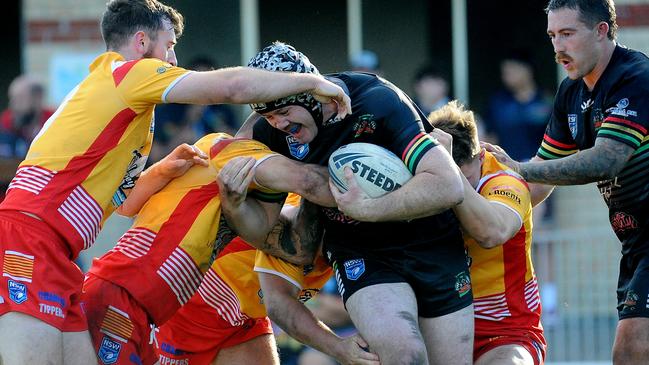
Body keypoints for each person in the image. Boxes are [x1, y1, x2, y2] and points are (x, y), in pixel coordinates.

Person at [0, 0, 351, 363]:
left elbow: (124, 204)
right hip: (34, 238)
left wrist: (161, 171)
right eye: (168, 45)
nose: (173, 58)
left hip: (63, 255)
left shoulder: (128, 111)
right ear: (140, 42)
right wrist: (314, 83)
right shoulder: (127, 75)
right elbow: (230, 87)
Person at [241, 41, 472, 365]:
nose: (279, 124)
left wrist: (371, 208)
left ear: (311, 91)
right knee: (406, 355)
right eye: (267, 115)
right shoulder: (271, 133)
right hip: (362, 251)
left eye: (283, 112)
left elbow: (447, 185)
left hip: (431, 240)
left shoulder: (376, 99)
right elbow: (257, 213)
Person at [484, 1, 649, 363]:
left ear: (602, 30)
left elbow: (606, 160)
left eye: (568, 34)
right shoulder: (571, 94)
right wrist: (482, 203)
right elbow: (544, 175)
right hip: (636, 244)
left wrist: (519, 169)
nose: (558, 47)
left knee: (632, 346)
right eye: (552, 35)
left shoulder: (635, 76)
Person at [83, 134, 340, 365]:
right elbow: (283, 295)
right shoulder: (237, 159)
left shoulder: (352, 232)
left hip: (239, 316)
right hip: (190, 303)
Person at [156, 194, 379, 365]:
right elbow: (279, 305)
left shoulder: (358, 235)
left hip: (244, 318)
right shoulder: (296, 229)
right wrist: (340, 348)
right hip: (191, 311)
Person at [429, 101, 546, 365]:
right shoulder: (422, 176)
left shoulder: (505, 180)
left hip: (506, 332)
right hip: (440, 327)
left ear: (481, 155)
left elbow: (493, 233)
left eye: (465, 177)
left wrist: (448, 175)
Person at [151, 56, 239, 162]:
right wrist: (188, 122)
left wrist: (219, 127)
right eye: (197, 81)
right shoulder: (170, 109)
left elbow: (239, 146)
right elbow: (154, 158)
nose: (202, 87)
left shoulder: (222, 109)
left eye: (208, 81)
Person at [484, 50, 553, 162]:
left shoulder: (548, 101)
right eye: (505, 73)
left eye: (512, 71)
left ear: (527, 70)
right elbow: (490, 137)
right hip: (506, 168)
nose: (507, 76)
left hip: (541, 168)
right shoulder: (497, 102)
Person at [0, 75, 54, 158]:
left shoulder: (54, 121)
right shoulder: (5, 123)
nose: (12, 105)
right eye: (11, 98)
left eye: (20, 99)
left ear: (38, 98)